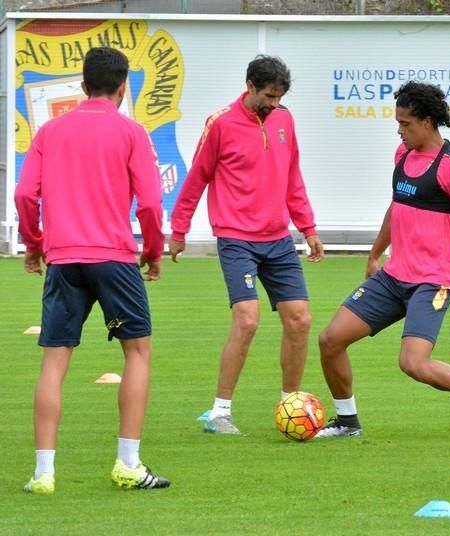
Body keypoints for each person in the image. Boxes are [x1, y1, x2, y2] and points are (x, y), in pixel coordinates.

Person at [316, 81, 450, 440]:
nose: (400, 131)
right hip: (394, 276)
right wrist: (374, 253)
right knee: (330, 340)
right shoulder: (402, 155)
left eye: (406, 124)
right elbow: (396, 207)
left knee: (412, 363)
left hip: (433, 281)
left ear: (428, 122)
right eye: (398, 123)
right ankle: (347, 422)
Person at [15, 47, 170, 494]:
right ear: (124, 88)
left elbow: (26, 196)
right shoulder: (131, 132)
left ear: (83, 86)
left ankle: (43, 473)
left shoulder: (50, 131)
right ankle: (128, 465)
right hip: (115, 259)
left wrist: (34, 244)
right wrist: (154, 252)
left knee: (54, 360)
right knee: (137, 353)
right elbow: (151, 203)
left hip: (63, 259)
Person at [170, 55, 324, 435]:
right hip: (236, 237)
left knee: (300, 319)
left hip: (278, 238)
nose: (274, 104)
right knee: (248, 319)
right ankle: (219, 412)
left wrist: (308, 227)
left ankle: (291, 406)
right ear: (251, 87)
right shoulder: (220, 123)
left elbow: (293, 177)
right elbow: (197, 179)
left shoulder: (285, 120)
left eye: (280, 97)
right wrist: (179, 229)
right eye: (269, 96)